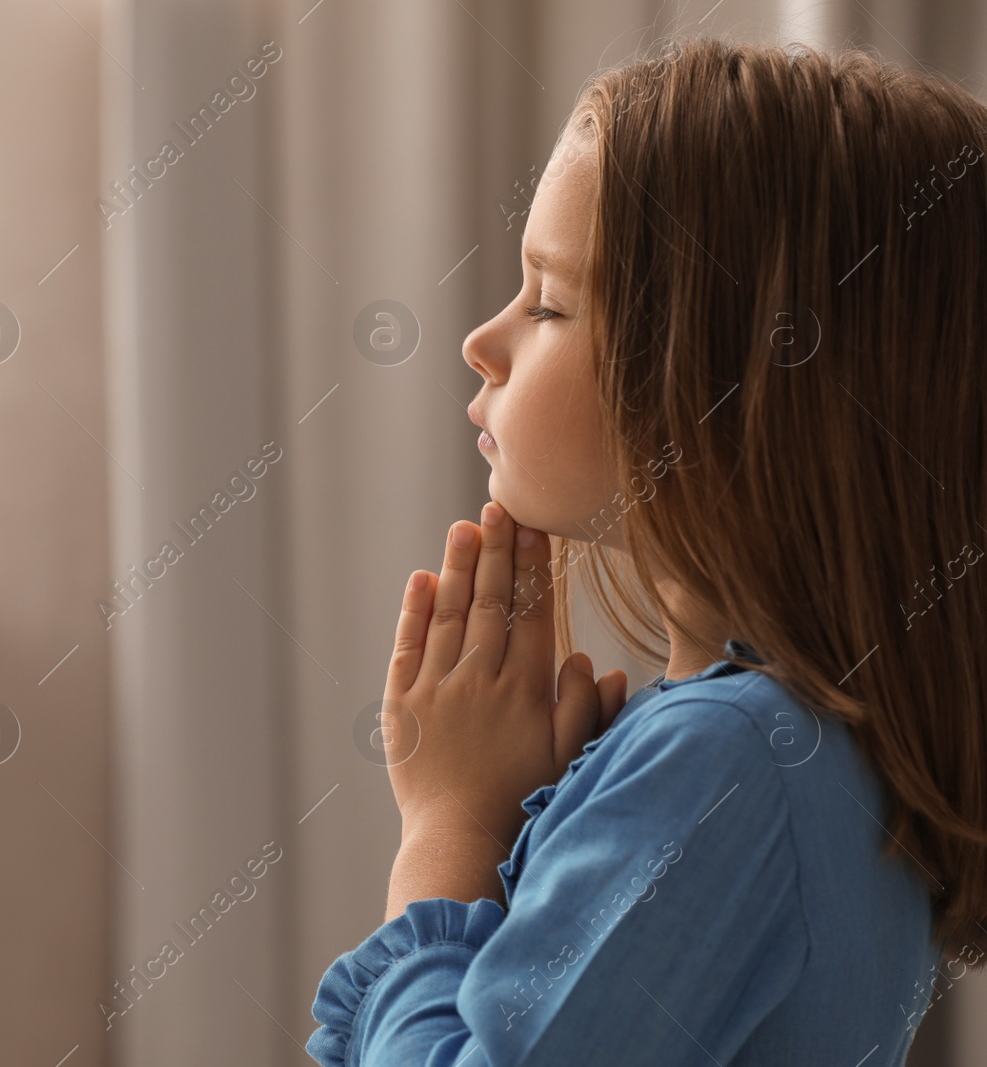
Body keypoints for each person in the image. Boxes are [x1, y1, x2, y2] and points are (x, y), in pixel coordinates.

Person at [307, 34, 987, 1066]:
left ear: (730, 390)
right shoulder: (765, 744)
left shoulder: (729, 760)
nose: (480, 340)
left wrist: (447, 831)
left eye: (547, 302)